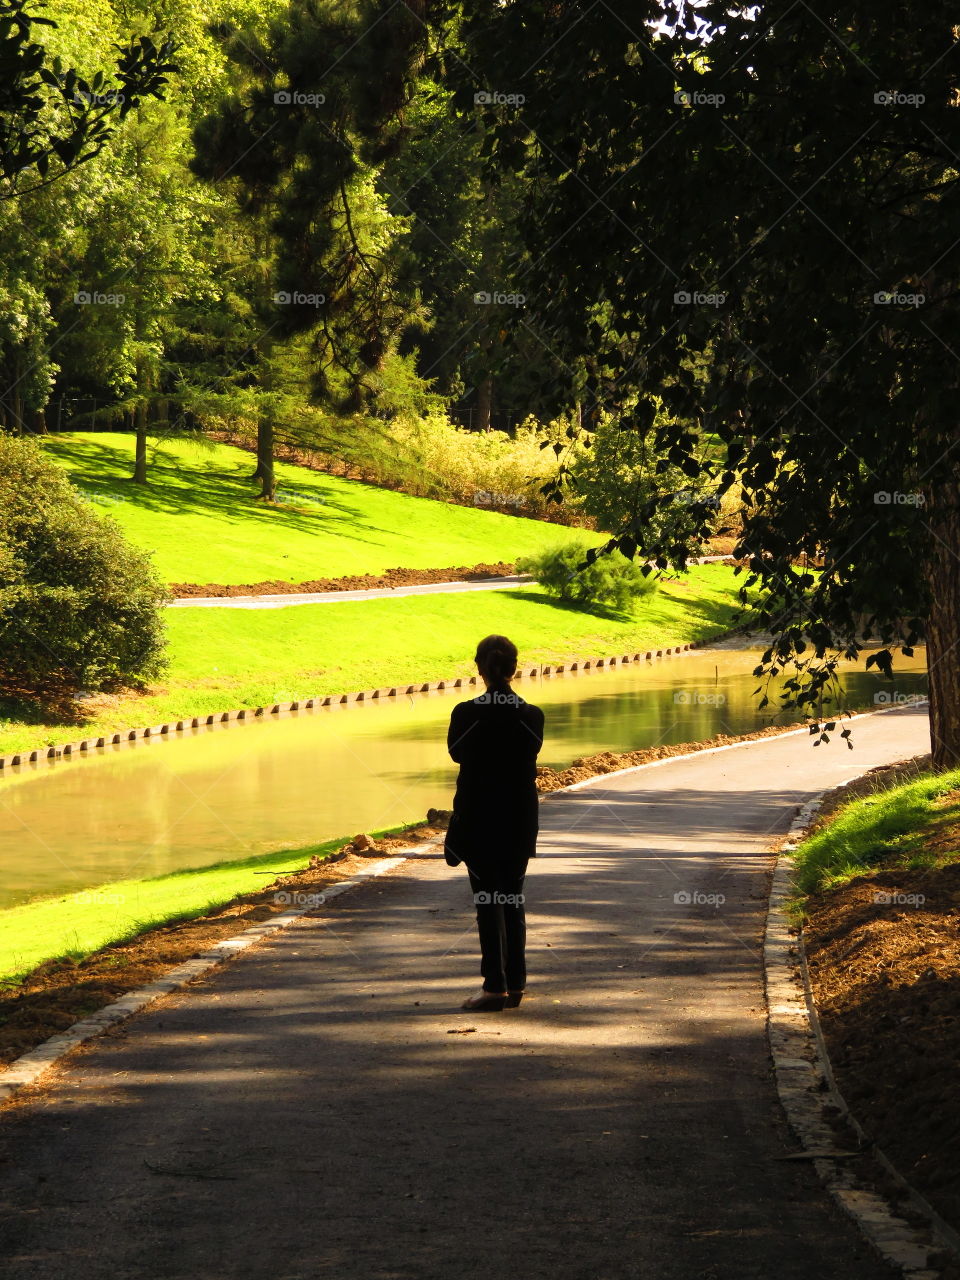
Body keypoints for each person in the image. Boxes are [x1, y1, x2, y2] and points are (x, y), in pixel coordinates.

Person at [444, 634, 545, 1011]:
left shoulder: (465, 714)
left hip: (479, 817)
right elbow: (529, 752)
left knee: (487, 901)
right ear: (515, 669)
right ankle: (515, 982)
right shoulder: (532, 715)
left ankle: (494, 988)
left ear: (479, 668)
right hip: (519, 818)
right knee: (512, 898)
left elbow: (456, 755)